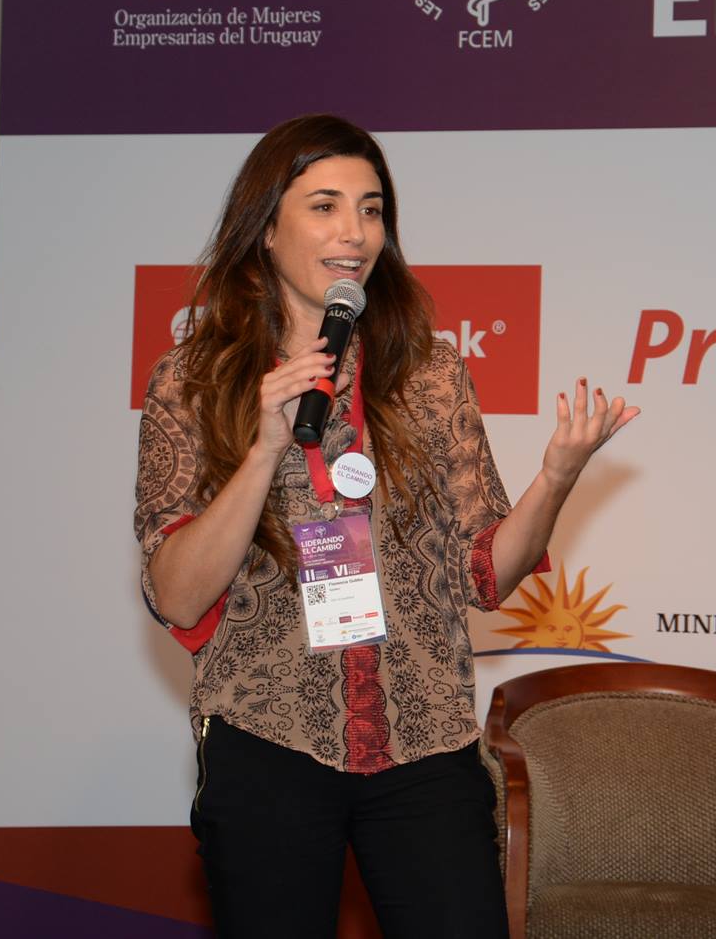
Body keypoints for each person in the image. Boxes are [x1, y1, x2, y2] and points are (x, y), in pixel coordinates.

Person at [134, 113, 638, 939]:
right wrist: (262, 451)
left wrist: (556, 478)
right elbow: (178, 594)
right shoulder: (192, 381)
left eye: (371, 209)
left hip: (424, 740)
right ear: (266, 229)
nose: (355, 231)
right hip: (269, 736)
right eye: (325, 206)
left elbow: (485, 574)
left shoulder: (431, 372)